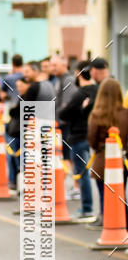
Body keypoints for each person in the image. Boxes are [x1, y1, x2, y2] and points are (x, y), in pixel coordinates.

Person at [58, 61, 98, 222]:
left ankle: (87, 208)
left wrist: (72, 108)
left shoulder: (79, 93)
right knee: (90, 173)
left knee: (82, 173)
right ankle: (92, 209)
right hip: (93, 136)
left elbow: (63, 114)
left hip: (78, 136)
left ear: (79, 74)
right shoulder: (97, 90)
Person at [87, 78, 128, 227]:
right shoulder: (126, 114)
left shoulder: (96, 115)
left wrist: (98, 147)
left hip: (101, 158)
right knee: (119, 192)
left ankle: (105, 218)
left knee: (103, 192)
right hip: (121, 159)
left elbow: (91, 138)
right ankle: (121, 219)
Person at [50, 55, 79, 198]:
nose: (52, 68)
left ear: (64, 65)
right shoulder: (60, 80)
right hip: (62, 124)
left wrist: (58, 118)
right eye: (52, 65)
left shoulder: (68, 80)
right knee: (67, 156)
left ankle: (77, 187)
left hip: (66, 125)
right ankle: (75, 187)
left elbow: (66, 104)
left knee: (70, 157)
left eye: (55, 65)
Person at [1, 54, 24, 190]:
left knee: (11, 148)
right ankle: (22, 178)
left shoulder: (9, 78)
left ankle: (13, 180)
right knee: (23, 150)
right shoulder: (25, 77)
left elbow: (2, 95)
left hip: (11, 117)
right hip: (24, 115)